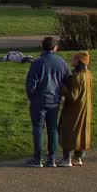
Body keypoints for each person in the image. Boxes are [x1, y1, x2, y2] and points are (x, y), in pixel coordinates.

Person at [24, 36, 69, 168]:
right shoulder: (61, 62)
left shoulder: (37, 62)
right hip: (54, 100)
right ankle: (52, 158)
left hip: (39, 100)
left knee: (38, 129)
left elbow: (30, 85)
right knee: (52, 129)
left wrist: (32, 97)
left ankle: (37, 158)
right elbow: (68, 80)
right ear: (55, 47)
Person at [57, 51, 94, 167]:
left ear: (79, 61)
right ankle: (78, 158)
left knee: (68, 131)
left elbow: (72, 96)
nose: (71, 60)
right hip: (85, 107)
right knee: (82, 132)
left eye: (74, 59)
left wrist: (61, 87)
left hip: (74, 109)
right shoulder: (88, 74)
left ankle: (66, 159)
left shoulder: (78, 77)